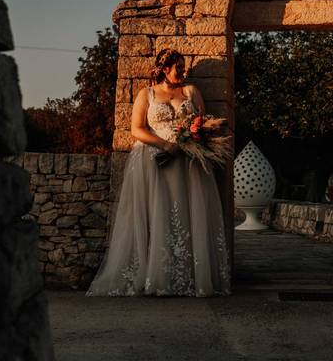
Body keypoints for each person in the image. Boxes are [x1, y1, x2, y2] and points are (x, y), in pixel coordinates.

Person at [86, 48, 232, 297]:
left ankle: (189, 276)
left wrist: (196, 135)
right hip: (155, 160)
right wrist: (165, 145)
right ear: (165, 69)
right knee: (159, 211)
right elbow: (137, 129)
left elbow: (201, 123)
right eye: (179, 67)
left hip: (188, 161)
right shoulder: (147, 94)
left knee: (187, 211)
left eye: (184, 67)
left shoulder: (190, 92)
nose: (183, 72)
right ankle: (158, 275)